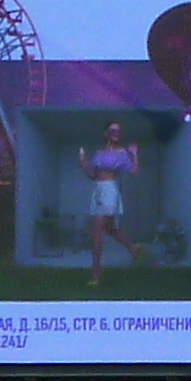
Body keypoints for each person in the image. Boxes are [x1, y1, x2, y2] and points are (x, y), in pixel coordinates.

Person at [81, 118, 138, 280]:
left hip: (109, 191)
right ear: (106, 133)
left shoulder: (121, 153)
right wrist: (84, 164)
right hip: (98, 191)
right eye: (112, 130)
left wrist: (134, 155)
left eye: (118, 131)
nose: (115, 133)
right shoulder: (99, 153)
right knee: (110, 229)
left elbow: (133, 172)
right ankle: (133, 249)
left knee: (96, 231)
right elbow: (93, 176)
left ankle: (96, 271)